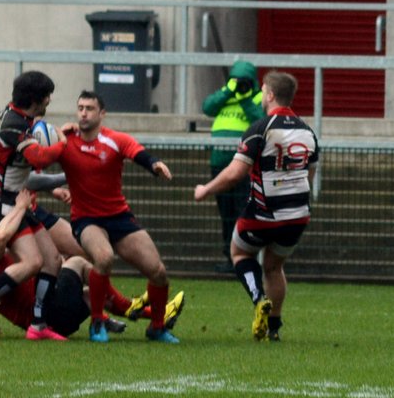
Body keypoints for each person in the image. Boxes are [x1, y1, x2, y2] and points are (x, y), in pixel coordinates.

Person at [46, 90, 183, 344]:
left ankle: (157, 327)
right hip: (86, 219)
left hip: (118, 217)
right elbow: (35, 160)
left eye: (89, 108)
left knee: (158, 272)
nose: (83, 113)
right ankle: (97, 322)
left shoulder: (114, 139)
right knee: (104, 257)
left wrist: (154, 164)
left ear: (102, 113)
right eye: (80, 108)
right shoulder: (65, 141)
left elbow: (137, 152)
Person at [0, 192, 182, 340]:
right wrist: (20, 207)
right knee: (79, 262)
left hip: (55, 320)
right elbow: (0, 240)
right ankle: (135, 310)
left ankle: (153, 314)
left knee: (92, 294)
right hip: (48, 312)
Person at [194, 71, 317, 342]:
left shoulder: (260, 128)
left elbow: (234, 174)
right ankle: (274, 328)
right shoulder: (308, 131)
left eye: (263, 90)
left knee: (239, 252)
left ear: (270, 95)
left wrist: (206, 189)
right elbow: (309, 175)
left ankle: (259, 299)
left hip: (264, 211)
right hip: (298, 215)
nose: (261, 95)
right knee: (273, 267)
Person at [0, 70, 68, 341]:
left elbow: (24, 170)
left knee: (52, 260)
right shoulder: (13, 124)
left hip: (15, 200)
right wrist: (64, 145)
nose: (49, 101)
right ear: (35, 99)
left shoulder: (21, 119)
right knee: (32, 262)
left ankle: (38, 325)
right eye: (47, 96)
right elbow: (40, 158)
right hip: (0, 205)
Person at [202, 60, 265, 273]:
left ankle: (246, 258)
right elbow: (207, 107)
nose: (240, 85)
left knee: (243, 213)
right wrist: (229, 90)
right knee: (227, 214)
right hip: (220, 163)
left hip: (245, 167)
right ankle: (230, 259)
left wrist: (244, 98)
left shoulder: (257, 98)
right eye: (237, 81)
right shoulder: (225, 96)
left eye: (244, 81)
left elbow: (261, 119)